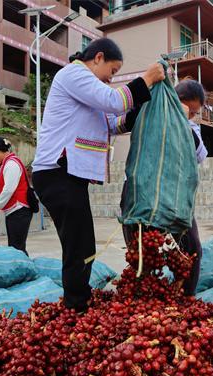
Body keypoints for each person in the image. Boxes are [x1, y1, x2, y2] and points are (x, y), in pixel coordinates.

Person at [32, 38, 165, 311]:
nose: (110, 79)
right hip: (57, 173)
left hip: (69, 177)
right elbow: (114, 101)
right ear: (98, 57)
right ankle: (76, 307)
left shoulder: (90, 90)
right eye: (112, 71)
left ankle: (79, 299)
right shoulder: (74, 74)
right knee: (78, 246)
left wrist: (138, 110)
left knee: (83, 244)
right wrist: (147, 79)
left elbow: (113, 124)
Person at [174, 79, 208, 295]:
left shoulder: (191, 127)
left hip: (178, 198)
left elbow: (201, 155)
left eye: (195, 113)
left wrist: (185, 124)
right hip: (144, 197)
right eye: (190, 110)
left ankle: (187, 297)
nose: (192, 116)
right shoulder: (153, 116)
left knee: (192, 248)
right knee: (144, 252)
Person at [0, 137, 33, 255]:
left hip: (19, 210)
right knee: (15, 247)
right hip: (15, 211)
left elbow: (8, 190)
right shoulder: (7, 163)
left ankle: (24, 271)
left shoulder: (11, 164)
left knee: (17, 248)